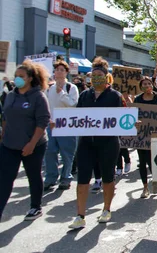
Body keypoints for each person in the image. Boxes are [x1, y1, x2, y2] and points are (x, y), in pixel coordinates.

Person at [68, 57, 131, 230]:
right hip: (87, 143)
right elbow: (77, 118)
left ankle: (106, 209)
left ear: (106, 77)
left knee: (108, 178)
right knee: (82, 179)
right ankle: (80, 215)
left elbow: (123, 117)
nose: (95, 78)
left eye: (99, 75)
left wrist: (130, 122)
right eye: (93, 75)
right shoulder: (84, 96)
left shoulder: (115, 96)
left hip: (108, 143)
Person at [0, 60, 50, 221]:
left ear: (30, 78)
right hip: (9, 144)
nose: (17, 79)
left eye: (21, 76)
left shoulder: (38, 97)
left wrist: (31, 144)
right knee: (5, 179)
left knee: (33, 175)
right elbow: (5, 117)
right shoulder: (10, 95)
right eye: (16, 76)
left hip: (34, 145)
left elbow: (42, 122)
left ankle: (35, 206)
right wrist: (3, 136)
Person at [44, 59, 79, 191]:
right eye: (57, 69)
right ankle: (50, 178)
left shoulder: (71, 88)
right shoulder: (49, 89)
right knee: (50, 152)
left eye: (62, 70)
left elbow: (73, 104)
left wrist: (62, 94)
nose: (59, 72)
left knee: (67, 154)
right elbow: (47, 106)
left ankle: (65, 178)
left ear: (66, 73)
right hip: (52, 125)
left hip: (67, 125)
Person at [134, 76, 157, 198]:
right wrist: (135, 122)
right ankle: (144, 187)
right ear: (141, 86)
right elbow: (133, 116)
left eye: (149, 83)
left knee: (153, 159)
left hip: (155, 134)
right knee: (142, 162)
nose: (147, 85)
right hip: (141, 135)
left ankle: (155, 179)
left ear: (153, 85)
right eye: (144, 84)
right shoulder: (137, 99)